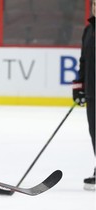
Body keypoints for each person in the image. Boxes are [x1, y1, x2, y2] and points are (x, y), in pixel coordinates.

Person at [72, 0, 95, 191]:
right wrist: (79, 87)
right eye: (94, 4)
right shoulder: (88, 31)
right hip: (92, 93)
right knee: (94, 133)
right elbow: (83, 61)